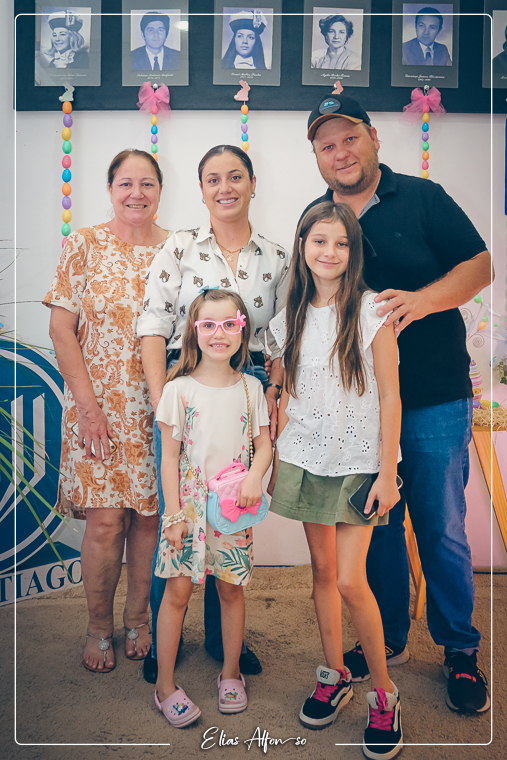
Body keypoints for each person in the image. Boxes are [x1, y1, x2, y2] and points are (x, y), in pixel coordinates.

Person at [302, 91, 492, 715]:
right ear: (317, 157)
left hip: (433, 397)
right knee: (375, 532)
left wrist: (423, 301)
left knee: (442, 530)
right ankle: (387, 638)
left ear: (373, 137)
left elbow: (481, 266)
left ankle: (459, 649)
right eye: (326, 145)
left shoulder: (423, 197)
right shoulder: (320, 219)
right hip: (357, 411)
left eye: (349, 138)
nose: (340, 152)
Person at [138, 144, 289, 684]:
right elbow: (153, 324)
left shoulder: (277, 257)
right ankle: (166, 639)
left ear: (252, 183)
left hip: (249, 384)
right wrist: (165, 397)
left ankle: (224, 641)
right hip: (186, 380)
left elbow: (281, 337)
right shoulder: (179, 247)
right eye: (213, 179)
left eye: (235, 176)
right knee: (179, 514)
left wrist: (275, 394)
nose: (225, 187)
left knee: (229, 510)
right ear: (201, 190)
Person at [267, 200, 403, 758]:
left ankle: (385, 693)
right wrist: (272, 456)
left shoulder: (372, 310)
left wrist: (389, 473)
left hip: (359, 463)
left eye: (342, 243)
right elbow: (283, 392)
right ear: (303, 246)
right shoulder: (289, 318)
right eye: (319, 241)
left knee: (350, 580)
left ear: (354, 252)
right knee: (322, 573)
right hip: (305, 457)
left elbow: (391, 396)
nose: (330, 252)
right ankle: (334, 673)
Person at [43, 149, 170, 673]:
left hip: (159, 410)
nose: (136, 193)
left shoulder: (179, 249)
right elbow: (61, 330)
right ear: (111, 189)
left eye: (147, 183)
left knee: (149, 519)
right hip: (97, 410)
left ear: (160, 189)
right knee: (104, 524)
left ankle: (139, 618)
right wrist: (90, 410)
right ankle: (99, 626)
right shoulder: (84, 244)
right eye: (125, 183)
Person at [152, 289, 272, 726]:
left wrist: (256, 476)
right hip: (187, 509)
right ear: (194, 330)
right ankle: (165, 685)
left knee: (231, 590)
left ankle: (231, 673)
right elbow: (168, 457)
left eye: (228, 324)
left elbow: (264, 445)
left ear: (243, 330)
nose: (218, 334)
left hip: (232, 507)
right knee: (177, 593)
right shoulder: (178, 389)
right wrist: (173, 515)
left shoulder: (251, 388)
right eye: (208, 325)